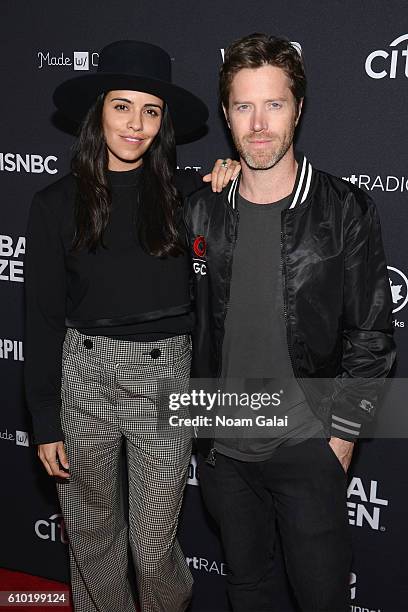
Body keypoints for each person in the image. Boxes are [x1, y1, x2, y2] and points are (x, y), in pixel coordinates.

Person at [24, 40, 238, 612]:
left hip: (163, 375)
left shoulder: (190, 193)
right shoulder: (53, 203)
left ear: (163, 122)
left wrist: (233, 175)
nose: (136, 124)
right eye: (122, 106)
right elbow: (42, 318)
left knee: (153, 542)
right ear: (99, 111)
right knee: (93, 539)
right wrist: (46, 423)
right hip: (84, 368)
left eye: (151, 110)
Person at [184, 34, 396, 611]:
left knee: (321, 597)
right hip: (225, 452)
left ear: (298, 109)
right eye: (244, 106)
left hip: (309, 445)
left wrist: (340, 441)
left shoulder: (344, 208)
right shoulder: (201, 207)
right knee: (246, 590)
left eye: (273, 104)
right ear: (226, 114)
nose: (258, 124)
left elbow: (372, 334)